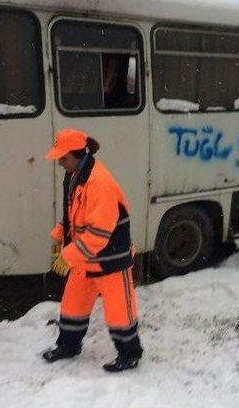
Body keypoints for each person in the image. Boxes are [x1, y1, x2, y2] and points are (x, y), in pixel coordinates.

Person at [43, 128, 143, 372]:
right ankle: (68, 346)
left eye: (63, 158)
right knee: (72, 307)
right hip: (84, 259)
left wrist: (67, 256)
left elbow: (99, 234)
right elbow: (76, 215)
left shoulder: (99, 183)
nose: (60, 163)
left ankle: (130, 355)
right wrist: (61, 232)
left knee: (120, 314)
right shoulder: (77, 174)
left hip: (110, 261)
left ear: (77, 154)